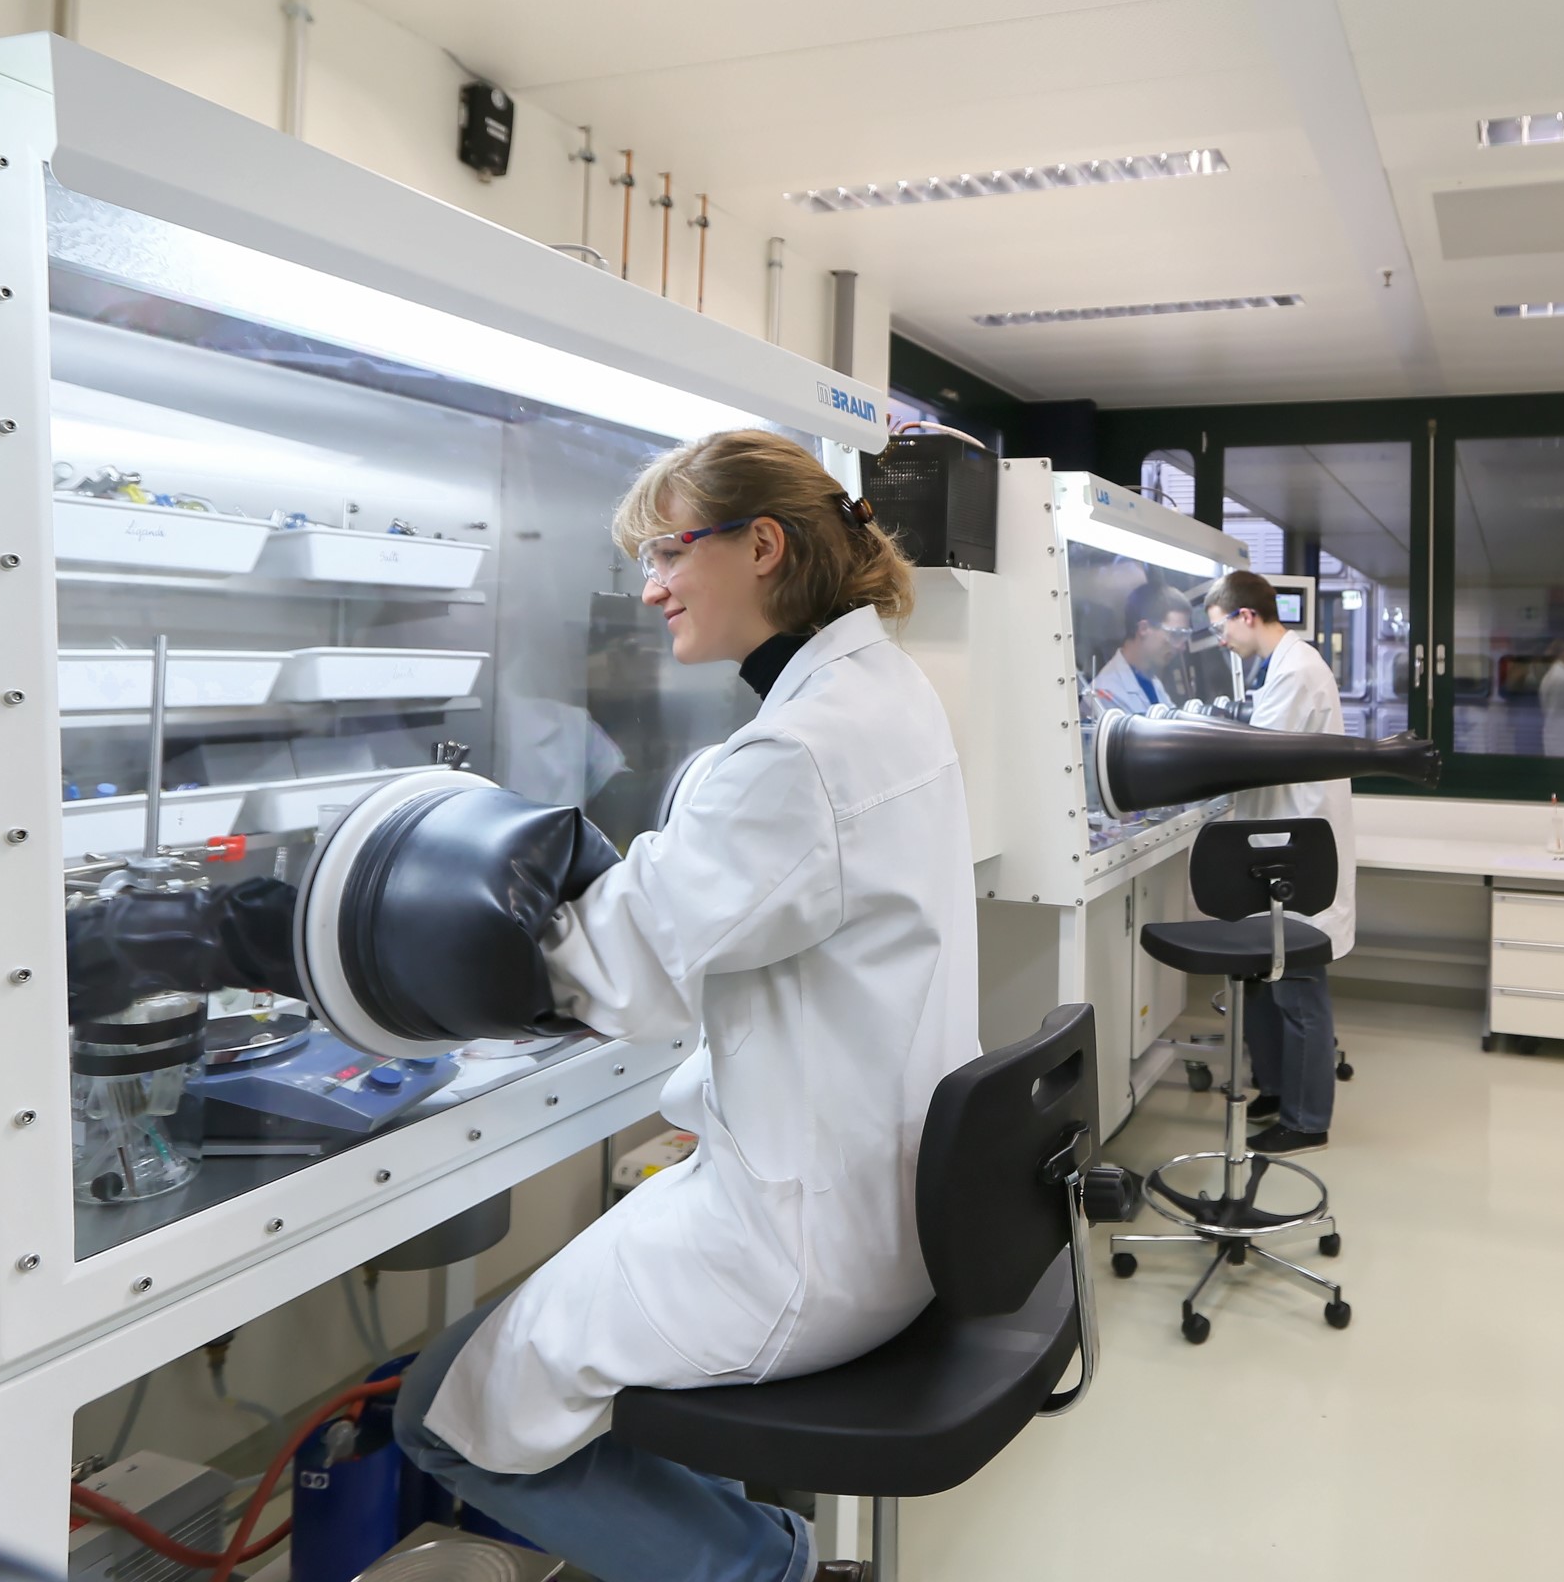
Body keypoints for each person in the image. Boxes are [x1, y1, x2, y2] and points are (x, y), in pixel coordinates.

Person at [395, 429, 981, 1582]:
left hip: (799, 1240)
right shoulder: (880, 690)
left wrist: (400, 940)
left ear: (762, 547)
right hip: (898, 1201)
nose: (650, 588)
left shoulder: (797, 753)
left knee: (444, 1415)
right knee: (536, 1380)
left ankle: (766, 1570)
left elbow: (614, 972)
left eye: (669, 553)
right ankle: (768, 1554)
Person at [1205, 568, 1354, 1154]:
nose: (1221, 640)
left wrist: (1200, 740)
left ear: (1246, 615)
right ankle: (1274, 1090)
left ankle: (1307, 1121)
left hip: (1298, 856)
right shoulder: (1282, 667)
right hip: (1277, 849)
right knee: (1267, 984)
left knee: (1298, 991)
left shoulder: (1296, 669)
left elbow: (1257, 755)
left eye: (1221, 628)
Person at [1090, 580, 1194, 715]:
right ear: (1144, 628)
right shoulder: (1105, 692)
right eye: (1175, 634)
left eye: (1184, 636)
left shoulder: (1151, 681)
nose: (1181, 647)